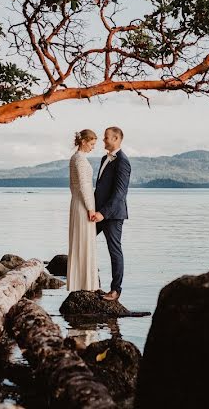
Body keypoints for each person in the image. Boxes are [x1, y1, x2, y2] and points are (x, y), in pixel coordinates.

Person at [92, 126, 130, 302]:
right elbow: (100, 189)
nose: (103, 140)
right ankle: (91, 281)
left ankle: (116, 290)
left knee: (114, 250)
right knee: (85, 243)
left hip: (112, 215)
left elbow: (119, 193)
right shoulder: (103, 159)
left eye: (106, 138)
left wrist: (103, 213)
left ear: (116, 139)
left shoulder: (123, 161)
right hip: (97, 213)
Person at [67, 129, 100, 291]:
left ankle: (80, 282)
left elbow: (73, 186)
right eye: (92, 144)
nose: (93, 147)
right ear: (84, 142)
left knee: (80, 242)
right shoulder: (79, 160)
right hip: (83, 205)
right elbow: (84, 186)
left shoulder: (75, 158)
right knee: (84, 242)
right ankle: (85, 284)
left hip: (77, 202)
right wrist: (90, 208)